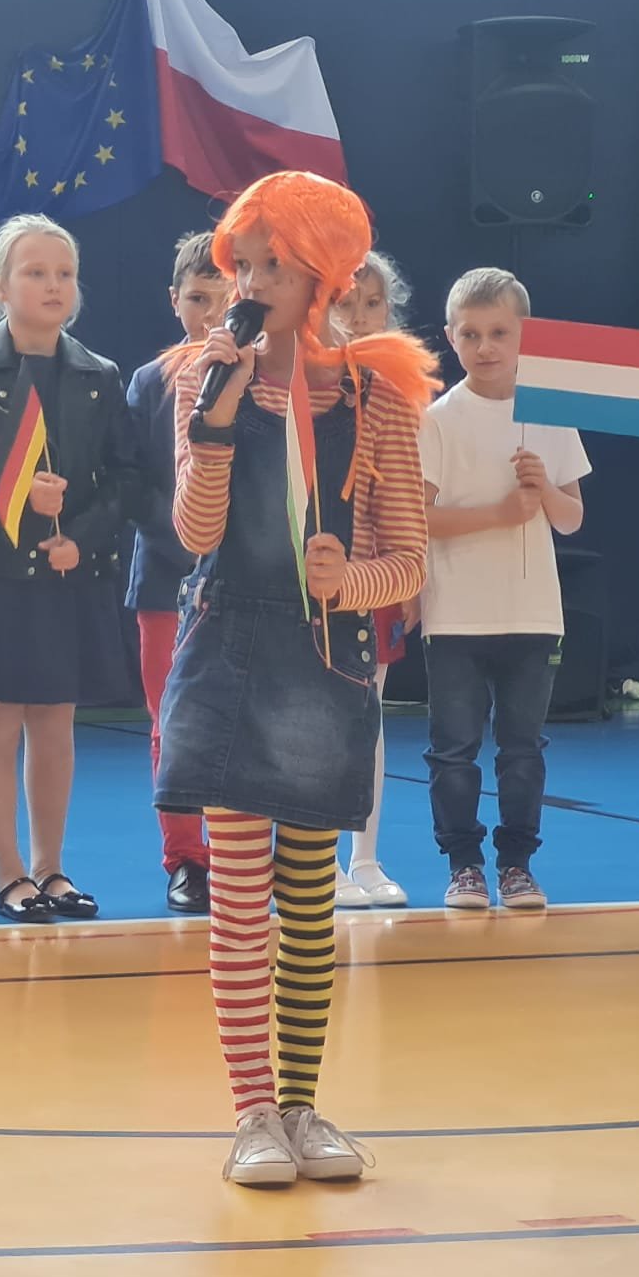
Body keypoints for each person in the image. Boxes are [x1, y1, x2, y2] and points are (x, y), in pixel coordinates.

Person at [155, 170, 439, 1184]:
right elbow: (194, 534)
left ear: (324, 276)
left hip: (324, 656)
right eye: (245, 263)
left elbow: (410, 560)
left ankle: (304, 1106)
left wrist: (350, 578)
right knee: (239, 898)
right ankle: (251, 1114)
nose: (253, 282)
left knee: (310, 897)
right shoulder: (201, 376)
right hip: (228, 643)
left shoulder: (377, 394)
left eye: (277, 265)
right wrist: (217, 422)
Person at [0, 215, 131, 923]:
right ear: (0, 287)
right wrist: (6, 488)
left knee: (55, 721)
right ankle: (8, 871)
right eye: (35, 272)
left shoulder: (100, 375)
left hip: (68, 574)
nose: (52, 285)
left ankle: (51, 867)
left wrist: (83, 540)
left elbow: (124, 479)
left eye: (64, 273)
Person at [420, 268, 589, 913]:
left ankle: (517, 865)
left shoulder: (551, 411)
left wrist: (543, 490)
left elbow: (571, 518)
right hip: (456, 614)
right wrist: (499, 513)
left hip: (532, 612)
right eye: (471, 334)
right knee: (454, 750)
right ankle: (463, 865)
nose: (485, 346)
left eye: (498, 333)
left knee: (522, 750)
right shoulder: (438, 419)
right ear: (450, 337)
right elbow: (420, 517)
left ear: (525, 336)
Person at [123, 229, 228, 914]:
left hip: (244, 578)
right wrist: (188, 546)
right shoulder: (150, 381)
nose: (210, 314)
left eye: (223, 299)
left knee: (245, 719)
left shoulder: (265, 373)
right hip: (166, 579)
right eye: (196, 299)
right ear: (173, 300)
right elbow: (134, 484)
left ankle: (243, 853)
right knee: (173, 721)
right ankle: (186, 858)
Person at [327, 249, 416, 908]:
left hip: (374, 581)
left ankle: (364, 855)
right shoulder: (305, 382)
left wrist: (405, 578)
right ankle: (314, 858)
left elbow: (406, 499)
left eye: (373, 303)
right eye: (345, 303)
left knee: (367, 719)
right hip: (310, 582)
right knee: (309, 725)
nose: (359, 316)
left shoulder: (397, 390)